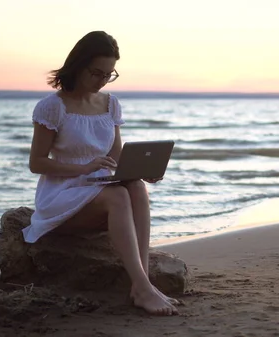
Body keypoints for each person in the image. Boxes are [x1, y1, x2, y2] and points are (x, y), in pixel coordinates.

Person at [23, 31, 178, 316]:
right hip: (62, 194)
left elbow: (116, 157)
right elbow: (37, 163)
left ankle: (142, 284)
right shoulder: (52, 107)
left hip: (98, 188)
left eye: (110, 74)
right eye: (96, 73)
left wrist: (141, 171)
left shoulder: (110, 104)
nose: (103, 80)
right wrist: (82, 168)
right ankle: (143, 287)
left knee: (135, 186)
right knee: (119, 195)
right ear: (78, 66)